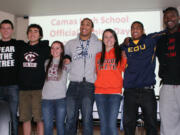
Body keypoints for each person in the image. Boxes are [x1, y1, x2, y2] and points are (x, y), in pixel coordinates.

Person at [122, 21, 165, 135]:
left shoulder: (150, 40)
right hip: (130, 91)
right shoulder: (126, 45)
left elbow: (165, 31)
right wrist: (123, 42)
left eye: (138, 28)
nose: (135, 30)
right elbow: (113, 47)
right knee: (128, 125)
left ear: (143, 30)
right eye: (133, 28)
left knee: (151, 124)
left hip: (147, 91)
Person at [65, 18, 101, 135]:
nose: (84, 26)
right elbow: (65, 61)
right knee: (70, 117)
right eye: (82, 24)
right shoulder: (70, 44)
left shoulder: (99, 44)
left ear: (92, 28)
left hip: (89, 86)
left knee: (87, 118)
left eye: (88, 24)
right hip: (73, 84)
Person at [18, 24, 50, 135]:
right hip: (23, 89)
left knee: (39, 118)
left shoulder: (45, 49)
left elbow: (59, 52)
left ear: (40, 35)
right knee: (25, 118)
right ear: (27, 34)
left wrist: (67, 58)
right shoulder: (21, 48)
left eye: (36, 31)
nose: (33, 33)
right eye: (30, 31)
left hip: (39, 89)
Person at [94, 29, 126, 135]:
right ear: (102, 40)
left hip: (114, 93)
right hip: (99, 93)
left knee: (111, 125)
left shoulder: (121, 54)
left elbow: (125, 70)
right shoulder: (98, 56)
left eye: (111, 36)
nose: (109, 39)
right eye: (106, 37)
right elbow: (96, 73)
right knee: (103, 124)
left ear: (115, 39)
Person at [156, 7, 180, 135]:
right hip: (167, 85)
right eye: (166, 16)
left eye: (172, 16)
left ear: (178, 18)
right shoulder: (160, 39)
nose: (169, 19)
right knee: (167, 121)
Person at [0, 19, 23, 135]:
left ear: (12, 30)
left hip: (13, 87)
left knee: (13, 115)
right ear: (0, 30)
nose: (5, 30)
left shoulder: (18, 44)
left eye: (8, 28)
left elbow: (39, 45)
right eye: (3, 28)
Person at [42, 41, 69, 135]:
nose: (55, 50)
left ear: (62, 50)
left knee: (60, 125)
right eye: (52, 48)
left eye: (57, 48)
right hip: (46, 99)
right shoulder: (46, 62)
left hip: (61, 99)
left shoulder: (67, 63)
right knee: (48, 125)